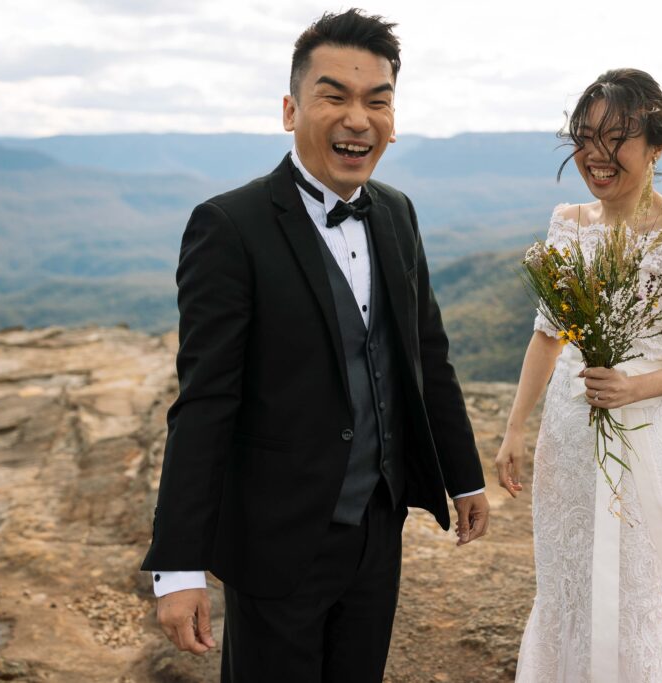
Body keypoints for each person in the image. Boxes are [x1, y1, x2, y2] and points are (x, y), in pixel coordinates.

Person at [141, 9, 490, 681]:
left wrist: (462, 473)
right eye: (334, 96)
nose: (358, 118)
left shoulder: (396, 211)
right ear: (290, 109)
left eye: (377, 100)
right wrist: (178, 565)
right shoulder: (228, 226)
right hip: (276, 536)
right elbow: (205, 401)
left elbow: (426, 354)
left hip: (376, 528)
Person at [495, 68, 662, 682]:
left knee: (630, 598)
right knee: (566, 588)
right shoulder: (568, 222)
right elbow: (548, 335)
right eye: (584, 137)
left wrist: (633, 387)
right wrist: (516, 428)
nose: (595, 156)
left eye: (615, 139)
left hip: (644, 434)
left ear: (656, 146)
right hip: (568, 434)